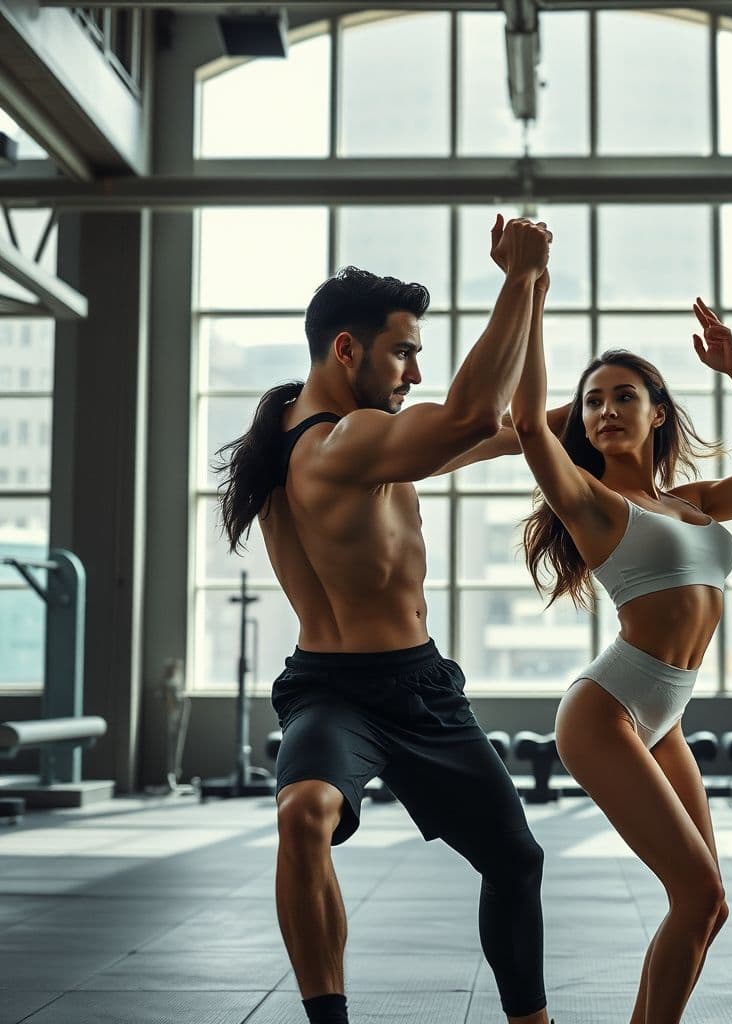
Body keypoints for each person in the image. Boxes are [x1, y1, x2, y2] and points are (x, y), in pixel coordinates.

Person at [214, 216, 557, 1024]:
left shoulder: (326, 442)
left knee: (516, 860)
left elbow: (505, 431)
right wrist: (517, 281)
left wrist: (592, 400)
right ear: (346, 350)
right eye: (403, 350)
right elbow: (473, 417)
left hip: (420, 685)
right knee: (303, 812)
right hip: (331, 690)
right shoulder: (336, 445)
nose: (414, 369)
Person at [511, 293, 732, 1023]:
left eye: (624, 396)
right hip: (607, 710)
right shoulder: (591, 501)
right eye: (591, 401)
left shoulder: (692, 501)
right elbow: (526, 425)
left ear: (658, 413)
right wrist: (531, 295)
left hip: (665, 716)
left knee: (711, 908)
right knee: (697, 894)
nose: (606, 409)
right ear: (579, 422)